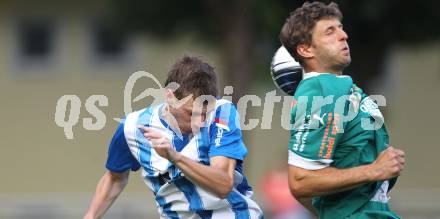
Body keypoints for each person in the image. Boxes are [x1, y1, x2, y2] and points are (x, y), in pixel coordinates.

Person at [83, 56, 263, 219]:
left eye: (204, 114)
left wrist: (174, 157)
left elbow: (223, 184)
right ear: (170, 96)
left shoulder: (222, 113)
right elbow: (115, 178)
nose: (200, 122)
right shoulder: (133, 127)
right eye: (191, 113)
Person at [278, 2, 405, 218]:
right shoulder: (320, 89)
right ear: (306, 49)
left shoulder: (340, 87)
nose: (343, 35)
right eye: (330, 31)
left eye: (340, 28)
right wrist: (373, 170)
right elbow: (300, 181)